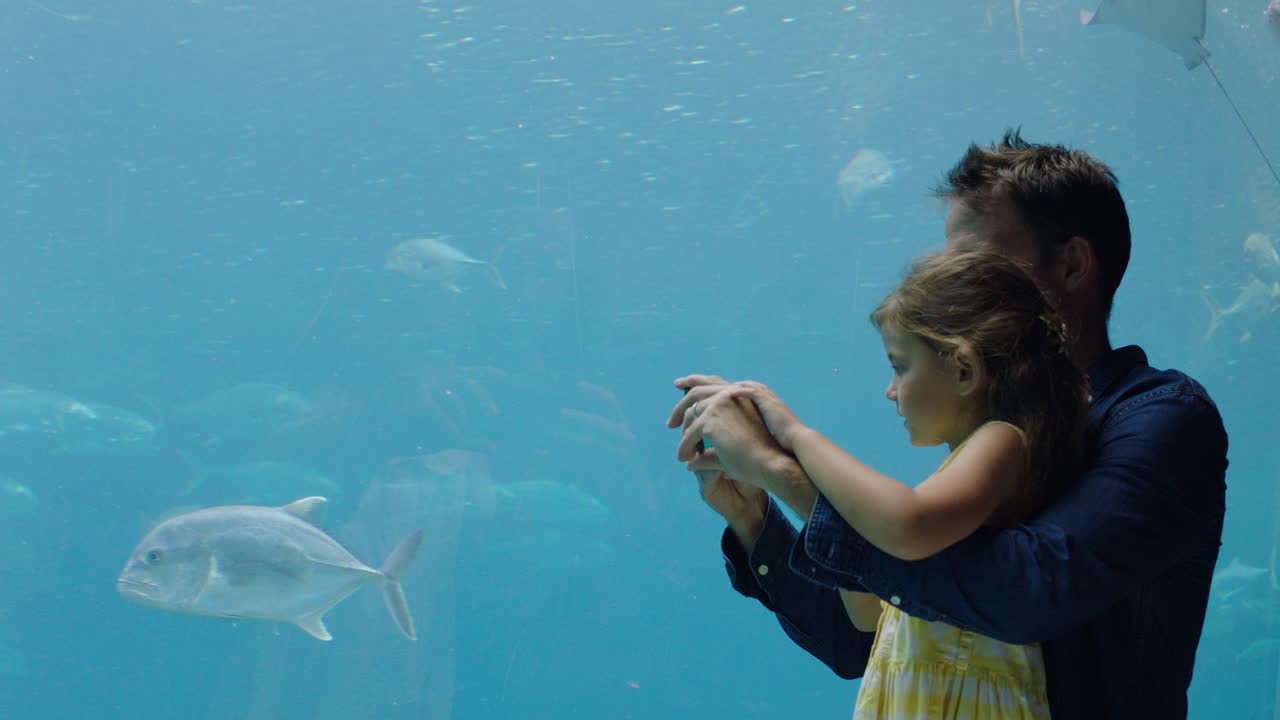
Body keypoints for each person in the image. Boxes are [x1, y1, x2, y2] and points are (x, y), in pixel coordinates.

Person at [667, 130, 1228, 720]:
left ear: (1072, 265)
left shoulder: (1162, 418)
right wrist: (754, 515)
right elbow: (866, 638)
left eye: (975, 262)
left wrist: (782, 470)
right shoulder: (984, 430)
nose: (949, 284)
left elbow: (1027, 590)